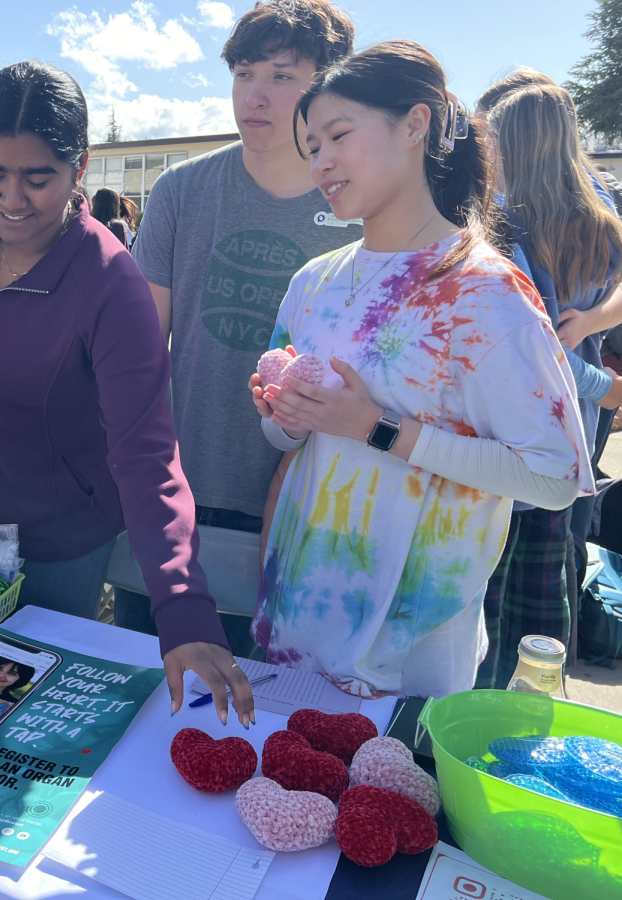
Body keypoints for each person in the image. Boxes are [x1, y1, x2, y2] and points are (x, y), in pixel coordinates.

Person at [0, 60, 254, 726]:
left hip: (60, 543)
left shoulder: (110, 282)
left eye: (38, 178)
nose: (11, 199)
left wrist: (182, 607)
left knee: (24, 719)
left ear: (80, 167)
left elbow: (147, 454)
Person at [250, 40, 592, 698]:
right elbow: (286, 442)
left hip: (409, 656)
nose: (321, 160)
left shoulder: (487, 294)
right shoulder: (313, 281)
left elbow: (554, 476)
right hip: (294, 626)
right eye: (311, 145)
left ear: (415, 124)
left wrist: (377, 427)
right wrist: (286, 416)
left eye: (338, 135)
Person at [115, 0, 359, 654]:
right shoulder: (180, 191)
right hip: (178, 506)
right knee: (158, 711)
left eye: (283, 76)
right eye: (244, 72)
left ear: (327, 88)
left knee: (278, 730)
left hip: (308, 519)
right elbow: (138, 356)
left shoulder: (361, 209)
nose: (256, 94)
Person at [472, 82, 622, 686]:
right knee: (541, 607)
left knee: (487, 599)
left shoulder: (504, 224)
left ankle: (467, 724)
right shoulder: (600, 218)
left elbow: (539, 347)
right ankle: (526, 728)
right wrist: (596, 333)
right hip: (572, 444)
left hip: (509, 440)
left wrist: (595, 374)